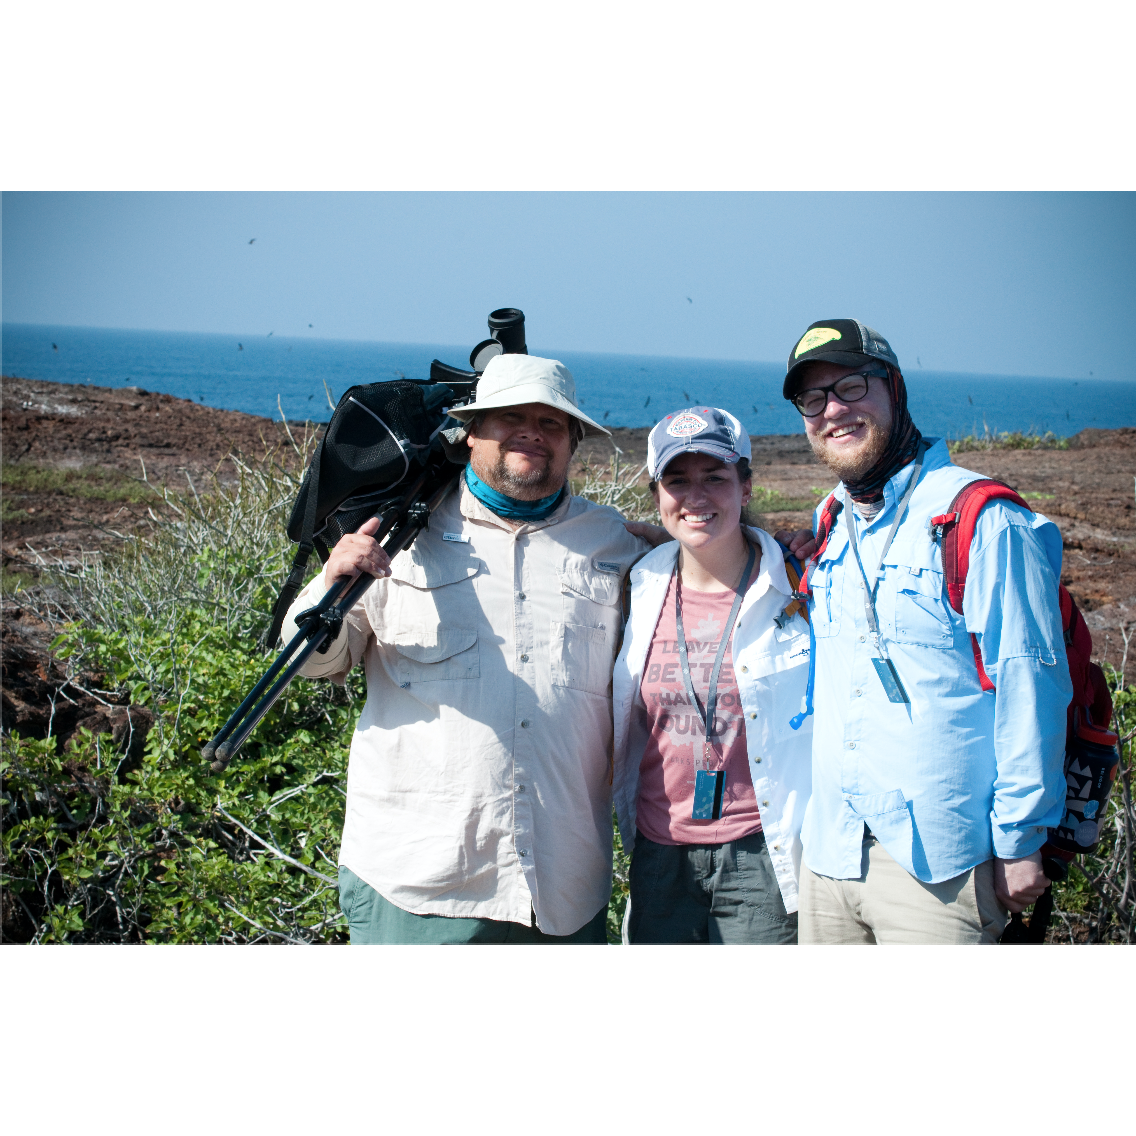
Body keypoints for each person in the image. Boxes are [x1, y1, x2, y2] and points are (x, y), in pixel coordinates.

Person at [279, 353, 656, 943]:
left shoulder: (612, 542)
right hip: (420, 883)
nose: (532, 431)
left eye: (552, 422)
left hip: (563, 890)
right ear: (471, 431)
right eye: (509, 416)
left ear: (574, 442)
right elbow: (311, 662)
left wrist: (746, 544)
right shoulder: (396, 533)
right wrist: (331, 585)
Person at [782, 319, 1070, 944]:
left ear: (896, 387)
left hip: (941, 863)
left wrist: (1021, 840)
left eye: (851, 386)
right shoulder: (831, 518)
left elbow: (1030, 684)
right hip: (829, 851)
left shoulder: (984, 520)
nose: (833, 410)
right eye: (812, 399)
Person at [612, 407, 813, 943]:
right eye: (678, 480)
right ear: (657, 493)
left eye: (716, 478)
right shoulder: (636, 585)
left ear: (746, 487)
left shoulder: (800, 583)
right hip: (660, 851)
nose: (696, 496)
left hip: (761, 852)